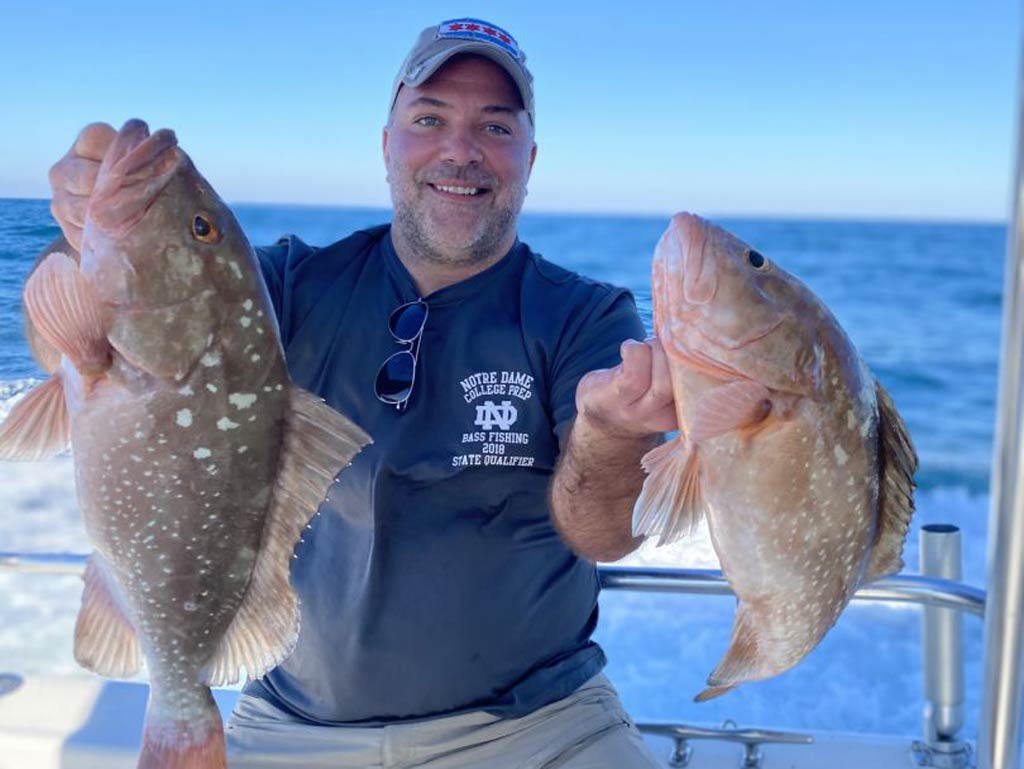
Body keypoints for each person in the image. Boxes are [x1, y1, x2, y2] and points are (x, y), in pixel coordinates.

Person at [49, 17, 676, 769]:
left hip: (538, 726)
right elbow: (71, 341)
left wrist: (610, 435)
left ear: (529, 158)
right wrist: (77, 239)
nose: (460, 148)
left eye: (495, 127)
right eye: (428, 119)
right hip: (292, 726)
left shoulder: (588, 315)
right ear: (387, 145)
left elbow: (606, 533)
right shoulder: (279, 287)